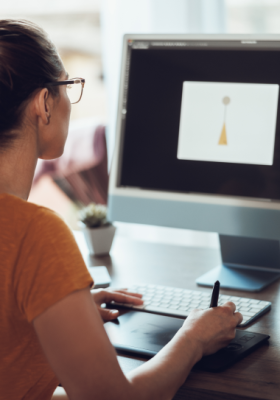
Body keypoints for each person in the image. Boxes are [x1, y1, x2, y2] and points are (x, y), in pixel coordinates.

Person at [0, 19, 243, 400]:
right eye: (67, 87)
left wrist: (58, 311)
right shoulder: (35, 234)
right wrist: (193, 339)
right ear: (44, 104)